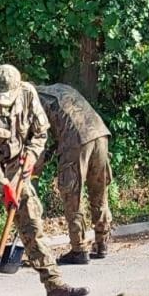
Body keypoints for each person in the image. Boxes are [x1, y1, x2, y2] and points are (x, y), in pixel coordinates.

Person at [0, 64, 87, 296]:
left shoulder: (29, 95)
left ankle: (54, 285)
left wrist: (30, 158)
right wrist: (4, 184)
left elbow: (40, 133)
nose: (3, 103)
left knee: (32, 225)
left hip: (18, 169)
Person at [36, 82, 113, 263]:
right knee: (99, 191)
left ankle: (79, 249)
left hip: (76, 140)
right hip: (100, 133)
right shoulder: (60, 89)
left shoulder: (32, 99)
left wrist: (36, 165)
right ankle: (102, 243)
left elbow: (39, 135)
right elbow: (62, 122)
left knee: (72, 193)